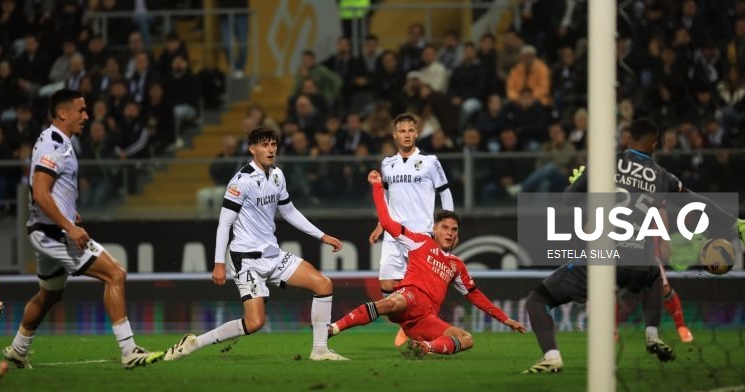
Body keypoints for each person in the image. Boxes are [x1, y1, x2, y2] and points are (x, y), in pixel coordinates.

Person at [523, 119, 745, 373]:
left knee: (539, 299)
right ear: (655, 145)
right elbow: (698, 202)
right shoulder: (663, 177)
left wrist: (583, 182)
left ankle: (552, 357)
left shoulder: (607, 163)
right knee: (655, 274)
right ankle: (652, 334)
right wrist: (735, 224)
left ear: (626, 139)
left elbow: (569, 201)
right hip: (640, 263)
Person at [3, 90, 165, 370]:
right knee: (115, 274)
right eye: (81, 111)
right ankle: (129, 350)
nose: (86, 116)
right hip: (55, 233)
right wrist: (69, 226)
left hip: (47, 229)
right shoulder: (56, 144)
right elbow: (41, 192)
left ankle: (18, 349)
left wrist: (67, 210)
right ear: (62, 113)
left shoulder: (53, 140)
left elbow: (46, 191)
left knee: (49, 294)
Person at [164, 127, 348, 361]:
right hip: (246, 259)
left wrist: (321, 236)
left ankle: (320, 351)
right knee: (254, 323)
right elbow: (224, 224)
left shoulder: (277, 175)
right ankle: (194, 343)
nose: (271, 149)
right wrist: (219, 263)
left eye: (273, 144)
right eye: (265, 145)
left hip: (272, 255)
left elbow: (290, 212)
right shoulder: (241, 182)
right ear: (252, 149)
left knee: (323, 285)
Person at [330, 170, 525, 356]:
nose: (449, 232)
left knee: (467, 339)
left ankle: (425, 347)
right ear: (435, 229)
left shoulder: (456, 265)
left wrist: (505, 318)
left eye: (454, 229)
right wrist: (377, 187)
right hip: (409, 298)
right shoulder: (420, 241)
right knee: (393, 301)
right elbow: (387, 222)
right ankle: (334, 328)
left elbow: (475, 296)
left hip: (425, 318)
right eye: (445, 227)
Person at [368, 113, 454, 346]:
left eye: (410, 130)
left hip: (421, 235)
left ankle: (413, 328)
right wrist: (379, 224)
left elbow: (444, 191)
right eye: (402, 131)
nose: (406, 134)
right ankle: (409, 325)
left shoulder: (430, 161)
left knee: (420, 288)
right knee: (387, 284)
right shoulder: (388, 163)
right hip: (394, 234)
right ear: (395, 135)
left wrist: (448, 226)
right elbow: (386, 196)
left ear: (416, 133)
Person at [214, 0, 250, 78]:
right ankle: (235, 69)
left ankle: (240, 67)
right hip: (225, 18)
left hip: (241, 16)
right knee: (227, 44)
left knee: (243, 44)